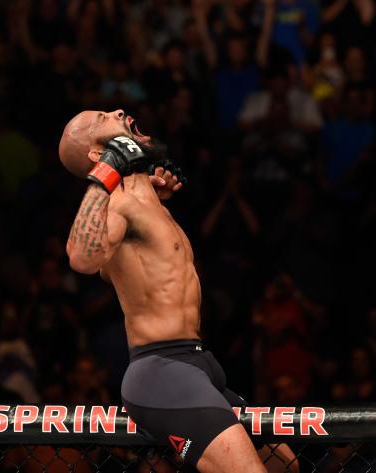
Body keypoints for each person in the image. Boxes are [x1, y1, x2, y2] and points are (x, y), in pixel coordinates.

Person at [59, 109, 296, 472]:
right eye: (103, 117)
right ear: (97, 153)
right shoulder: (121, 206)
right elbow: (81, 258)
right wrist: (107, 174)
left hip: (198, 364)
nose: (118, 111)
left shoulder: (142, 204)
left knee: (283, 465)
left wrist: (149, 197)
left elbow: (112, 270)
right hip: (163, 373)